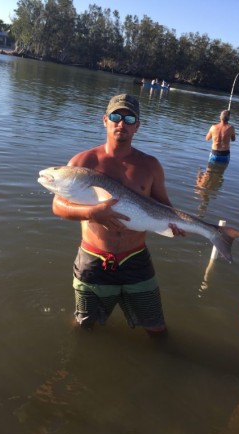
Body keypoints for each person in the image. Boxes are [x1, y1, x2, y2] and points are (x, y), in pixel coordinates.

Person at [52, 94, 185, 336]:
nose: (121, 123)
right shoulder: (83, 162)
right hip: (93, 260)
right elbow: (58, 206)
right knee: (84, 325)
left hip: (136, 260)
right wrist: (92, 212)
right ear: (105, 120)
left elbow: (165, 206)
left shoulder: (150, 165)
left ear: (137, 126)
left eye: (129, 118)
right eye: (115, 116)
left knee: (157, 328)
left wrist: (174, 225)